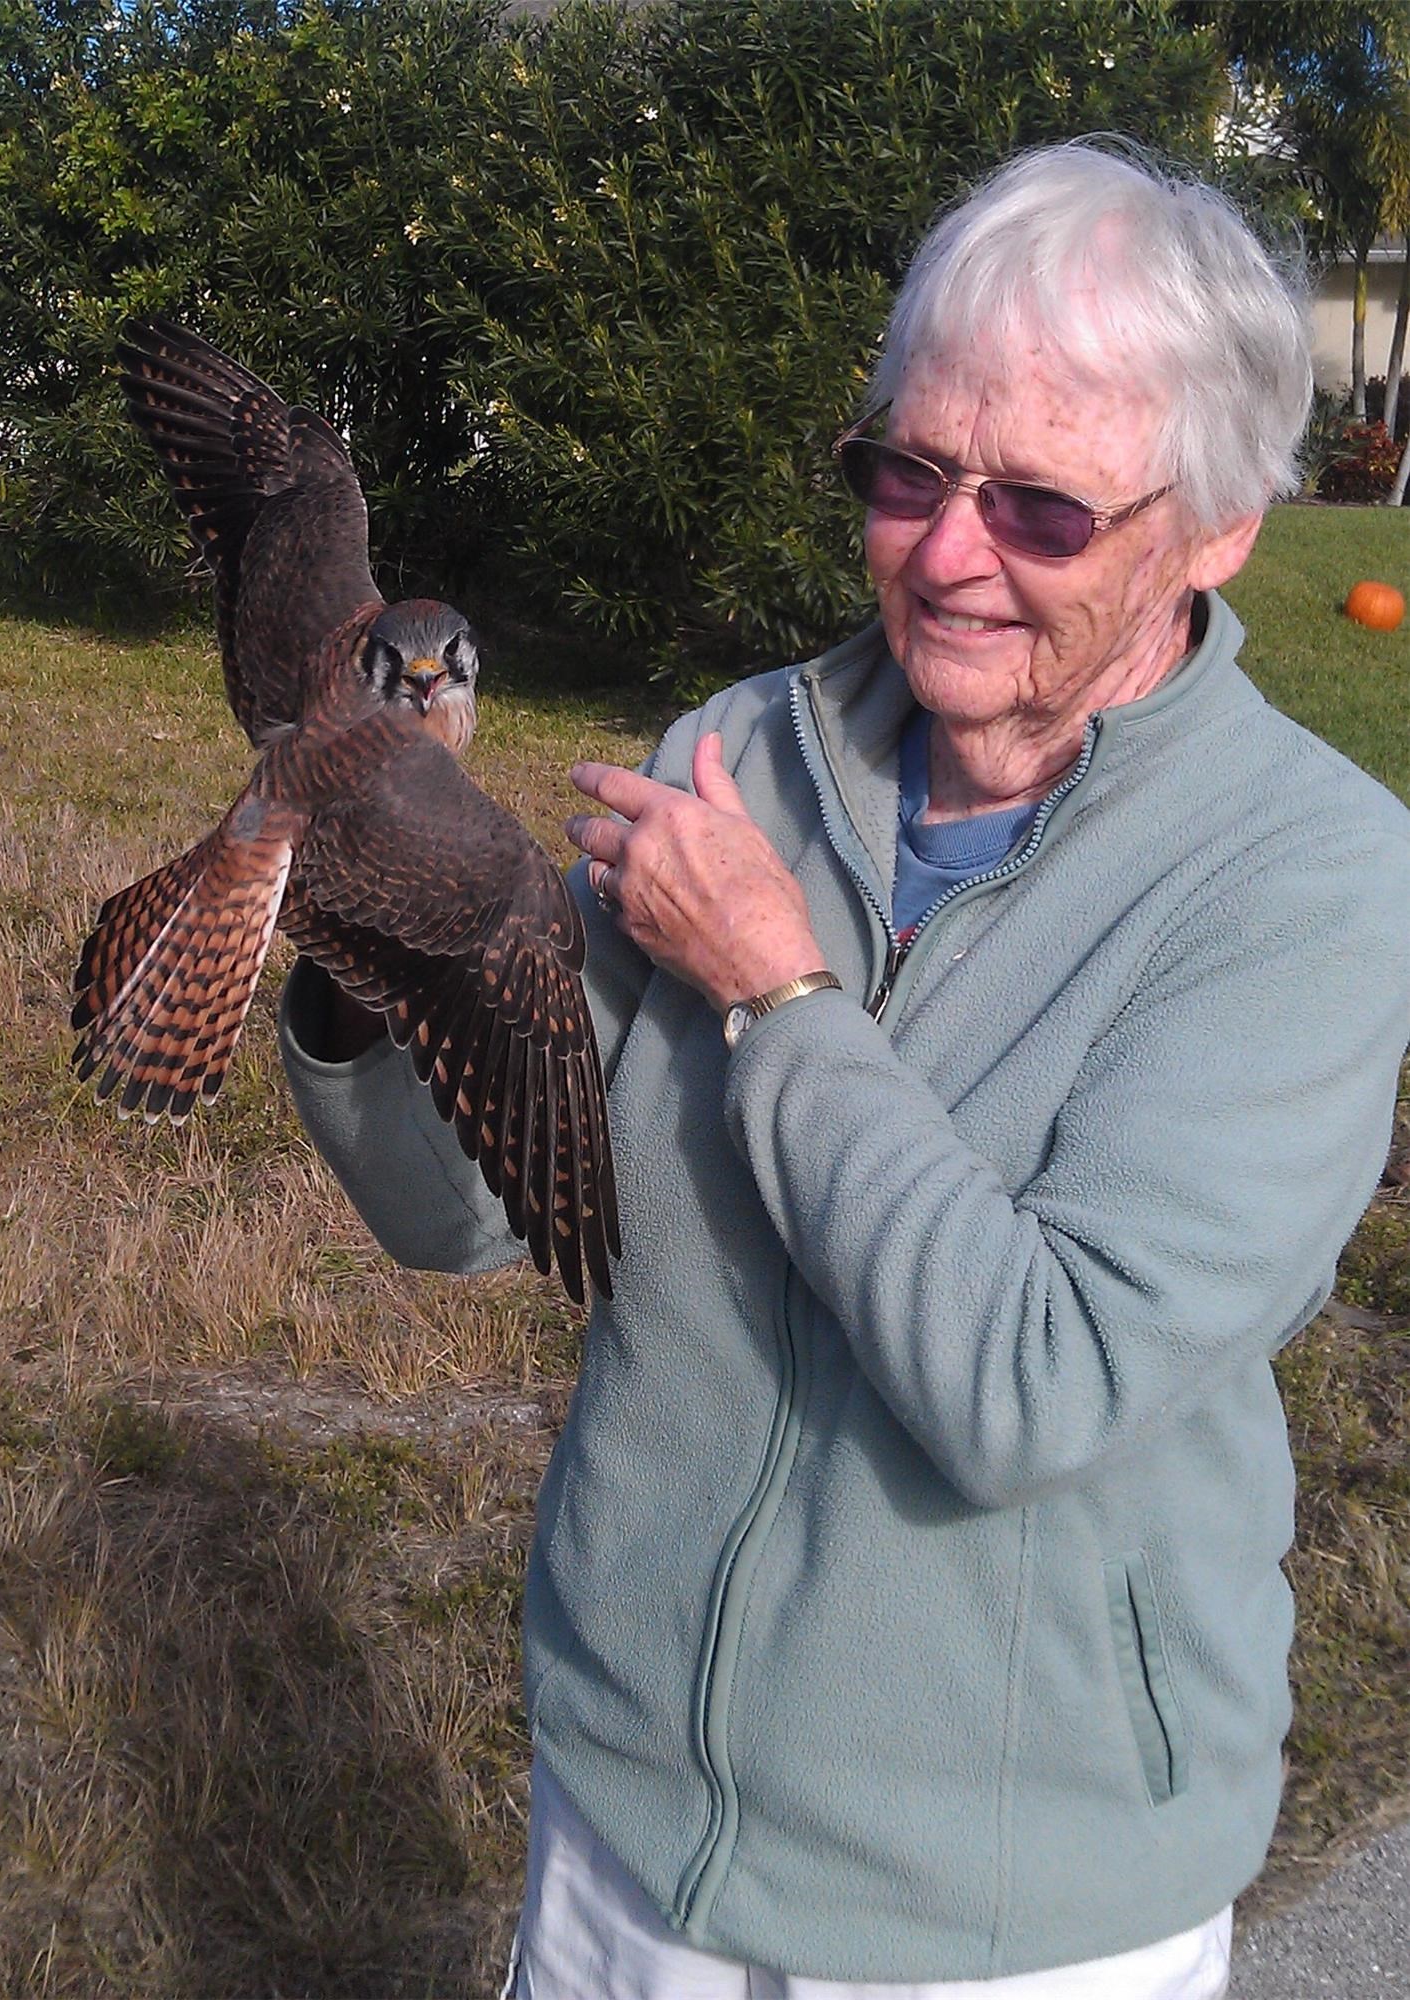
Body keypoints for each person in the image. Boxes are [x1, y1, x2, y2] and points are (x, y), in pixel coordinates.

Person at [280, 139, 1410, 1998]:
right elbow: (472, 1210)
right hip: (621, 1835)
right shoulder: (745, 756)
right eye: (909, 473)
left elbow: (1035, 1383)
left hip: (1003, 1917)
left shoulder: (1307, 880)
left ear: (1215, 527)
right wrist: (353, 946)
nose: (950, 554)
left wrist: (781, 998)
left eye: (1043, 507)